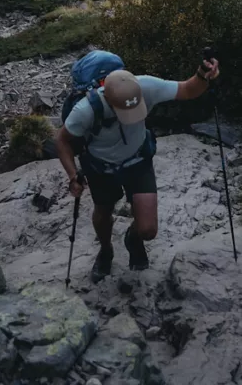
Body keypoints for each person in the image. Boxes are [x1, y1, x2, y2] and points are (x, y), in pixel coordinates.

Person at [55, 55, 220, 282]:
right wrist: (73, 175)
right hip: (100, 167)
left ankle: (133, 238)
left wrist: (203, 75)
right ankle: (105, 250)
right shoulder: (86, 110)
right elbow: (61, 140)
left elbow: (188, 89)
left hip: (138, 161)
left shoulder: (144, 86)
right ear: (108, 100)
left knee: (148, 230)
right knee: (103, 213)